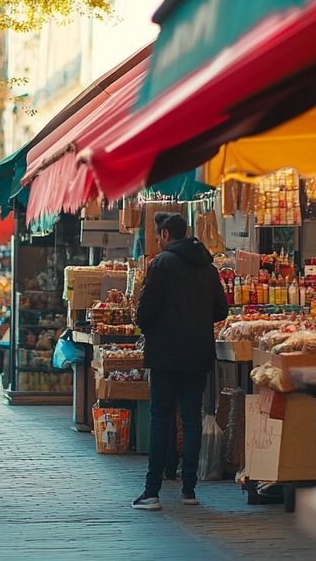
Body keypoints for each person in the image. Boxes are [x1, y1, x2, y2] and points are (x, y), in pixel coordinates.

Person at [131, 213, 228, 511]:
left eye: (159, 235)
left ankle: (152, 492)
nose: (158, 240)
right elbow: (221, 311)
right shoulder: (208, 267)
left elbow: (145, 312)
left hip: (165, 354)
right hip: (198, 354)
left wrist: (151, 326)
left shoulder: (161, 265)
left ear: (166, 234)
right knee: (191, 416)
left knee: (160, 417)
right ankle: (189, 490)